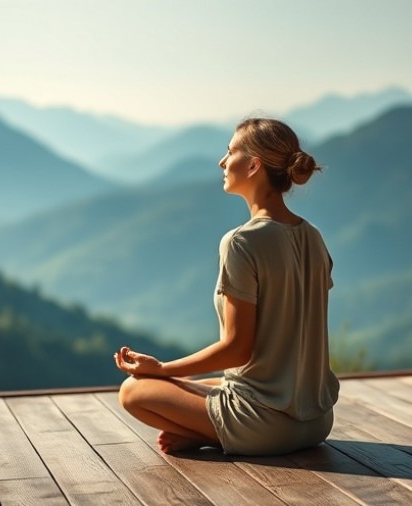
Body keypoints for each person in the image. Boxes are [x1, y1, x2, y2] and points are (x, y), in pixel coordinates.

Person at [114, 117, 339, 456]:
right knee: (193, 386)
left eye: (230, 151)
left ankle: (212, 435)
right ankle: (207, 431)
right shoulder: (313, 237)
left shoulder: (241, 242)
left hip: (265, 425)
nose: (222, 161)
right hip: (317, 421)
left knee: (134, 391)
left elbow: (237, 350)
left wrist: (161, 369)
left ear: (253, 165)